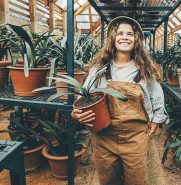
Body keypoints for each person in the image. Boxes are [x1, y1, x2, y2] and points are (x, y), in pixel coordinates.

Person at [71, 16, 168, 185]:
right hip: (103, 138)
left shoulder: (145, 70)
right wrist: (77, 114)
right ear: (112, 39)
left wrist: (157, 119)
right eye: (120, 33)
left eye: (129, 34)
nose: (124, 37)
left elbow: (156, 95)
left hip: (135, 139)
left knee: (137, 180)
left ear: (136, 39)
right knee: (108, 179)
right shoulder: (99, 69)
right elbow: (83, 97)